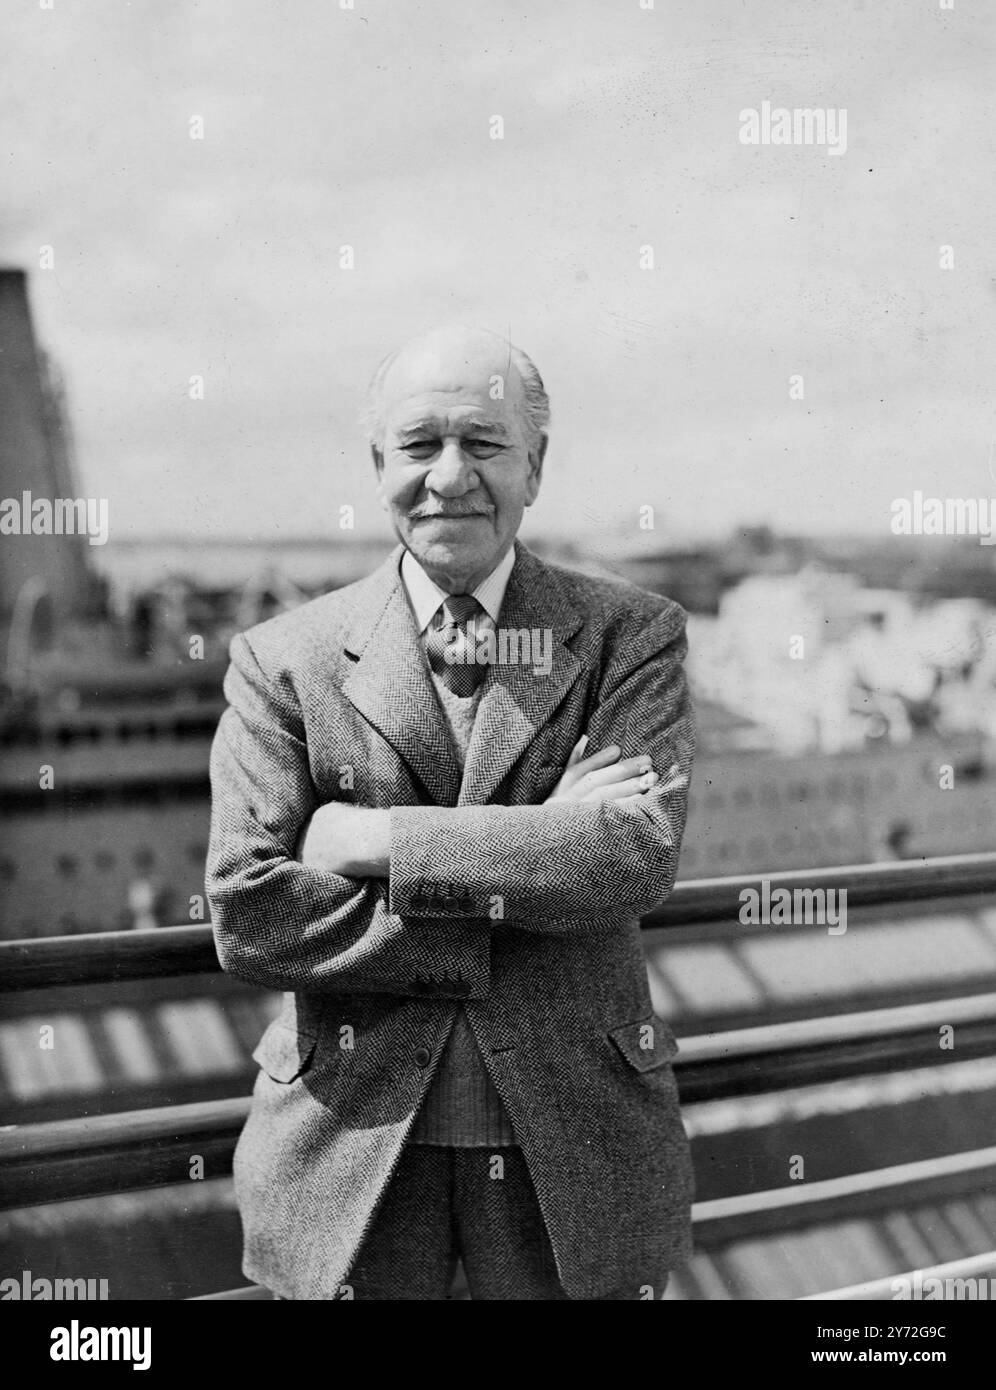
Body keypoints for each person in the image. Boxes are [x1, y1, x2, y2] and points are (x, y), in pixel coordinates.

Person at [206, 325, 696, 1300]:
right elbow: (249, 910)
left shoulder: (630, 634)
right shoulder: (283, 658)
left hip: (574, 1150)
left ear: (537, 465)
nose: (450, 475)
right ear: (376, 463)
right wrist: (541, 854)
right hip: (349, 1154)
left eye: (485, 442)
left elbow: (634, 859)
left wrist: (371, 838)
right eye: (419, 444)